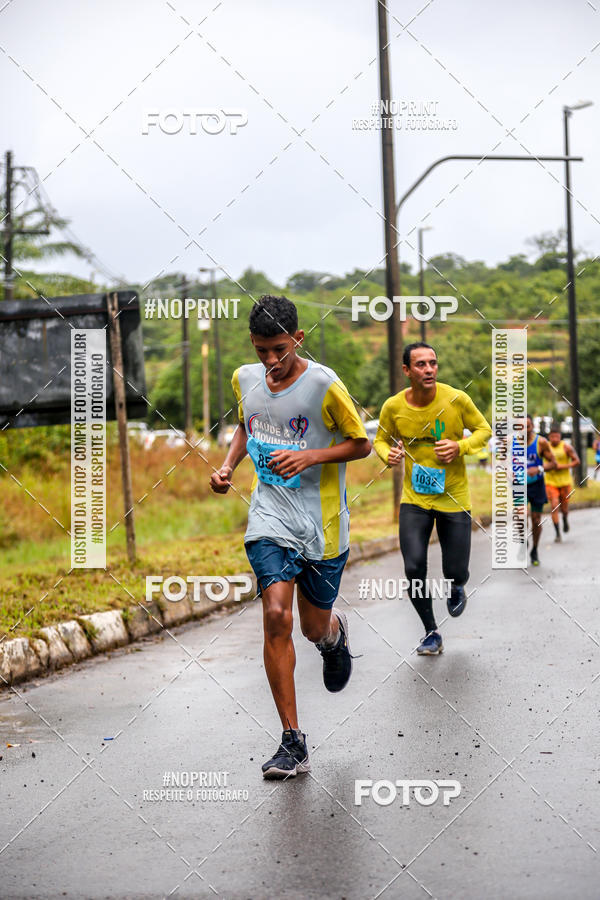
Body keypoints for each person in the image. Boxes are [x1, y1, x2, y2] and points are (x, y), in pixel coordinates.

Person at [210, 295, 370, 779]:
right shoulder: (244, 378)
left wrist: (310, 457)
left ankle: (333, 637)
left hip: (322, 524)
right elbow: (247, 426)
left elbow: (361, 444)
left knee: (311, 627)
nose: (270, 361)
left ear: (298, 339)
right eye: (261, 350)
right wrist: (227, 466)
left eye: (279, 349)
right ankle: (291, 740)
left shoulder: (324, 385)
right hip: (269, 517)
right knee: (276, 615)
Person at [373, 342, 492, 656]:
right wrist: (388, 455)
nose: (429, 369)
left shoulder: (456, 399)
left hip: (453, 497)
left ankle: (457, 585)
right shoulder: (393, 407)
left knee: (456, 570)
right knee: (413, 567)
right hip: (415, 499)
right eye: (421, 364)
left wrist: (460, 447)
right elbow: (380, 440)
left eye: (433, 363)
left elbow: (483, 430)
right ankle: (431, 632)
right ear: (406, 370)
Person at [525, 415, 557, 566]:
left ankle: (534, 549)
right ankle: (522, 539)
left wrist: (538, 468)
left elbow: (553, 463)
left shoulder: (541, 442)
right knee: (520, 516)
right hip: (519, 485)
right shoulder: (511, 442)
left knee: (536, 519)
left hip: (536, 485)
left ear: (532, 427)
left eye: (527, 426)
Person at [545, 423, 579, 541]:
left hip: (565, 482)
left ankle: (564, 518)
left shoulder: (566, 447)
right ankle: (557, 533)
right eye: (552, 437)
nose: (555, 439)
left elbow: (577, 461)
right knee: (554, 505)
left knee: (564, 508)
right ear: (549, 436)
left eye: (557, 437)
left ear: (560, 436)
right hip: (550, 481)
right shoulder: (545, 447)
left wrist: (562, 466)